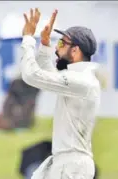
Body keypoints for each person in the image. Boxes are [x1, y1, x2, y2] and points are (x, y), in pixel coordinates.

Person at [20, 8, 105, 179]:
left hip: (72, 167)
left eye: (61, 44)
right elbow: (49, 75)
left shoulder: (82, 81)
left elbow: (31, 75)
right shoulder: (76, 79)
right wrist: (44, 46)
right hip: (66, 164)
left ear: (75, 50)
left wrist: (28, 38)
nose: (57, 50)